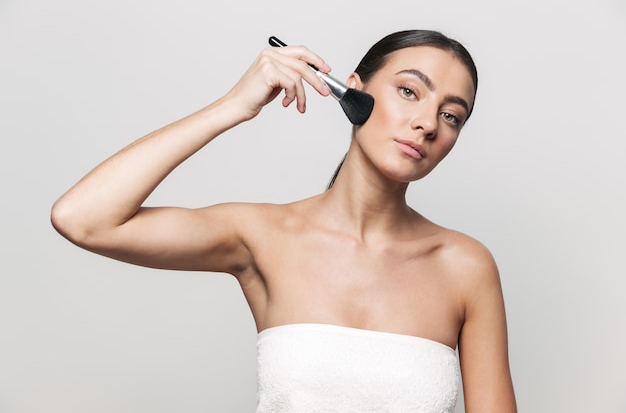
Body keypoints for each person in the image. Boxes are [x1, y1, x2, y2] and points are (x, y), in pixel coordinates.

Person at [51, 30, 517, 413]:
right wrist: (234, 106)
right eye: (409, 91)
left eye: (451, 115)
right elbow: (83, 219)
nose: (428, 123)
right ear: (353, 90)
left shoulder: (465, 267)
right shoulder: (262, 237)